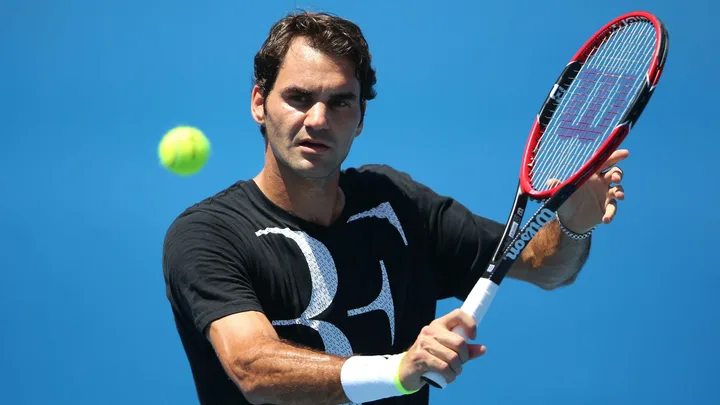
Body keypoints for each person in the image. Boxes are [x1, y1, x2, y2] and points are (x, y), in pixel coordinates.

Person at [162, 10, 627, 405]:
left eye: (340, 102)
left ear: (360, 118)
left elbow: (544, 267)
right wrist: (399, 370)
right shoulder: (208, 234)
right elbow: (252, 366)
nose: (318, 120)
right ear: (260, 104)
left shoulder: (396, 202)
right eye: (299, 98)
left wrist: (573, 223)